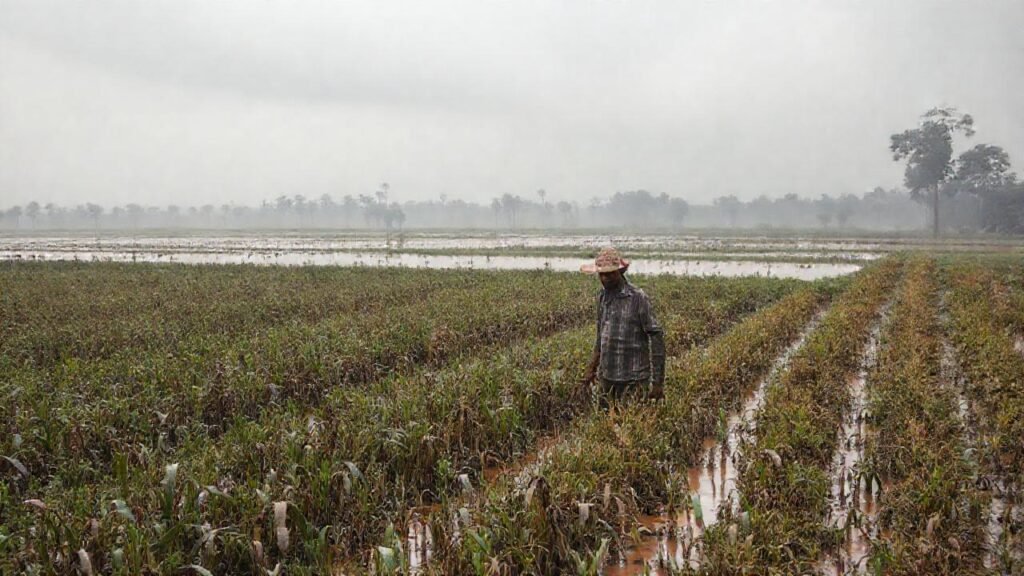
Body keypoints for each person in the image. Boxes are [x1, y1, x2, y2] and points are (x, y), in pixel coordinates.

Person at [580, 246, 666, 403]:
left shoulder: (637, 298)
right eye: (602, 274)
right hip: (607, 378)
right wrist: (591, 369)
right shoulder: (601, 297)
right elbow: (600, 337)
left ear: (620, 272)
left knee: (634, 425)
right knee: (605, 424)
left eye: (610, 274)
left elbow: (656, 336)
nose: (605, 278)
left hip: (634, 379)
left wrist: (658, 382)